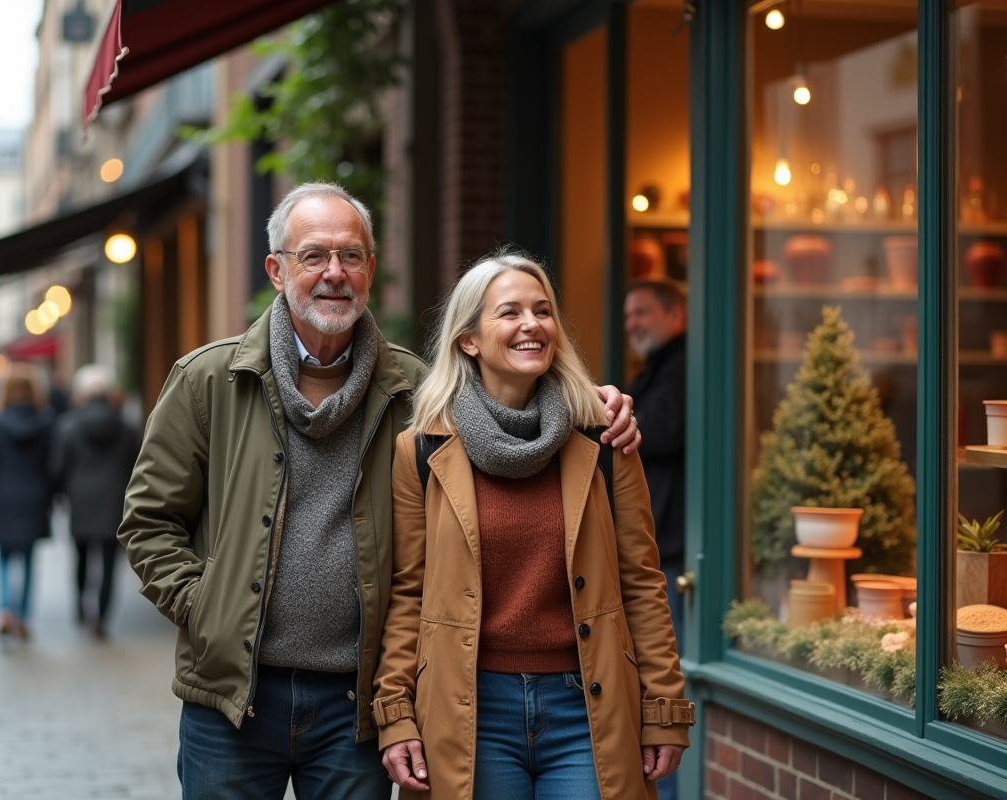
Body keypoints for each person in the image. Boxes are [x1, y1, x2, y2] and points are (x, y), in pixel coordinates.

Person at [117, 182, 641, 800]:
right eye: (313, 256)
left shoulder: (419, 394)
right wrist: (208, 611)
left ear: (371, 269)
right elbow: (148, 522)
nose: (334, 273)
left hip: (355, 708)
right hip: (233, 699)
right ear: (276, 270)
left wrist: (598, 405)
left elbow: (515, 390)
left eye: (352, 256)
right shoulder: (209, 379)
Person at [374, 250, 693, 800]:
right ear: (468, 339)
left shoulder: (604, 438)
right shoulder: (422, 451)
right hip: (471, 709)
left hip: (586, 708)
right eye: (510, 312)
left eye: (542, 311)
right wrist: (396, 714)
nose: (532, 325)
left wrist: (663, 705)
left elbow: (642, 579)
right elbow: (408, 595)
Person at [50, 364, 140, 638]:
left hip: (81, 499)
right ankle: (101, 618)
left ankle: (80, 603)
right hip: (115, 500)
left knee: (81, 556)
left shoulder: (68, 425)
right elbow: (137, 466)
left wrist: (60, 494)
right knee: (110, 563)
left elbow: (58, 467)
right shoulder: (126, 427)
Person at [623, 280, 686, 641]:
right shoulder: (659, 366)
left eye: (641, 312)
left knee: (669, 647)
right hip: (662, 540)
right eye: (628, 316)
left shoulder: (686, 366)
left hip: (676, 545)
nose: (631, 323)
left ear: (675, 314)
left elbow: (663, 427)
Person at [0, 365, 55, 640]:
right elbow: (53, 464)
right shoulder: (46, 424)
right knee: (30, 558)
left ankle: (6, 610)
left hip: (5, 495)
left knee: (4, 556)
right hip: (35, 496)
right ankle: (25, 617)